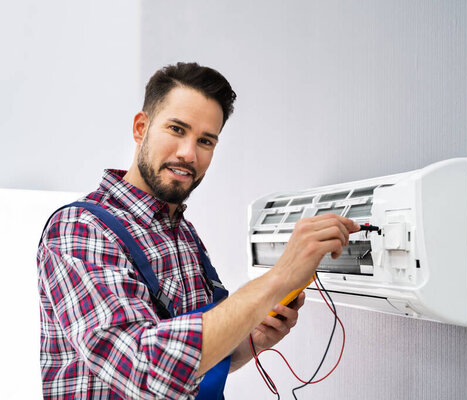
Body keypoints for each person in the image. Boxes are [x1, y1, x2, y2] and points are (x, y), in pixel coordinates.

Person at [37, 62, 359, 399]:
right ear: (140, 127)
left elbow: (190, 369)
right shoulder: (80, 229)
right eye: (177, 129)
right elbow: (142, 371)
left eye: (205, 141)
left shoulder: (183, 234)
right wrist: (278, 277)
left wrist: (251, 341)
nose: (188, 154)